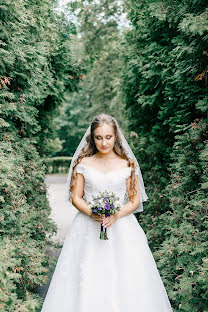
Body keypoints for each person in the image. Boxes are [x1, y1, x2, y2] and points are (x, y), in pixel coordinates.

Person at [41, 113, 173, 312]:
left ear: (116, 137)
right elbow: (76, 197)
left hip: (122, 228)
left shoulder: (127, 164)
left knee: (126, 277)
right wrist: (92, 212)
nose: (104, 142)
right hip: (87, 228)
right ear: (92, 138)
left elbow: (134, 200)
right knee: (87, 274)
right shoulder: (83, 163)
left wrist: (117, 214)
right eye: (99, 137)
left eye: (108, 137)